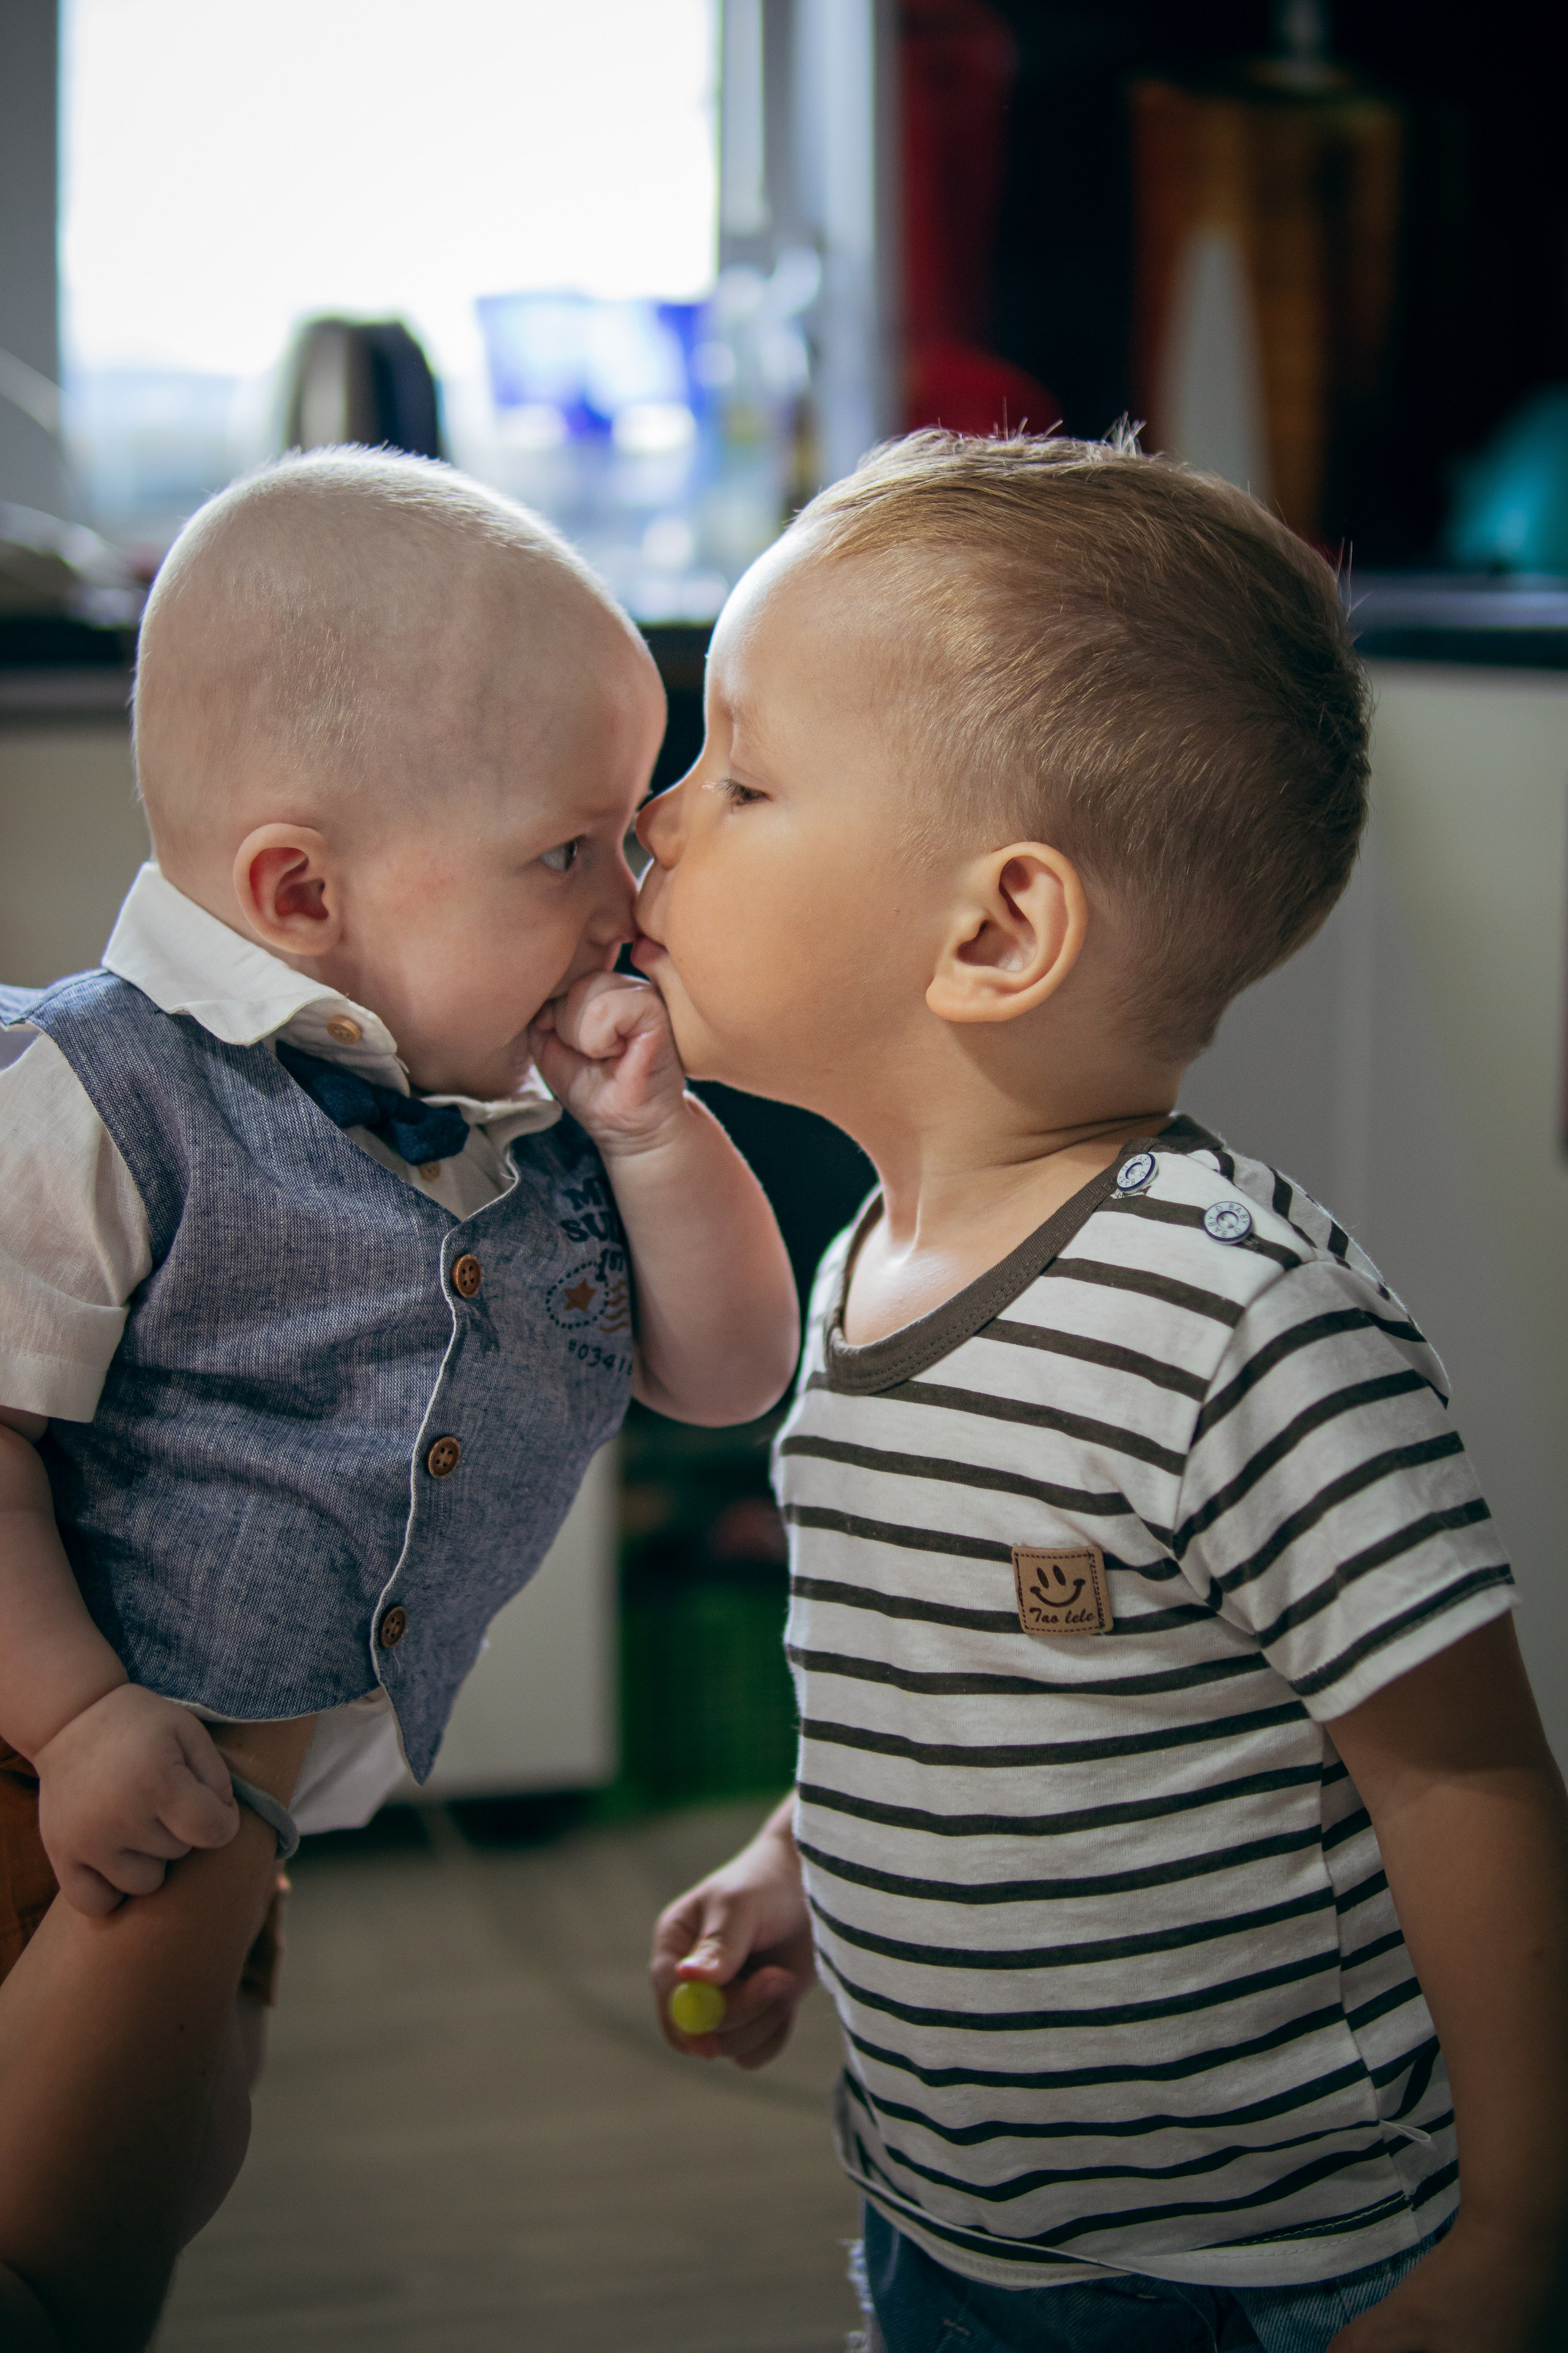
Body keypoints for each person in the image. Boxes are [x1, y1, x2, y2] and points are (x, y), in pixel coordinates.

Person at [643, 431, 1568, 2353]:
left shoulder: (1245, 1332)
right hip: (951, 2232)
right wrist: (799, 1853)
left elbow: (1464, 1775)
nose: (653, 820)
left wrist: (1517, 2237)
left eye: (735, 773)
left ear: (995, 931)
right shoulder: (861, 1273)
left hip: (1276, 2266)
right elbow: (942, 1688)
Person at [0, 447, 798, 2338]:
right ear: (301, 888)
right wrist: (82, 1708)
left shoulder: (529, 1117)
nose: (631, 897)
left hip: (234, 1812)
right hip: (56, 1759)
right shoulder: (81, 1097)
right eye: (570, 847)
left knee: (179, 2160)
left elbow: (727, 1366)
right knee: (54, 2231)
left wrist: (664, 1136)